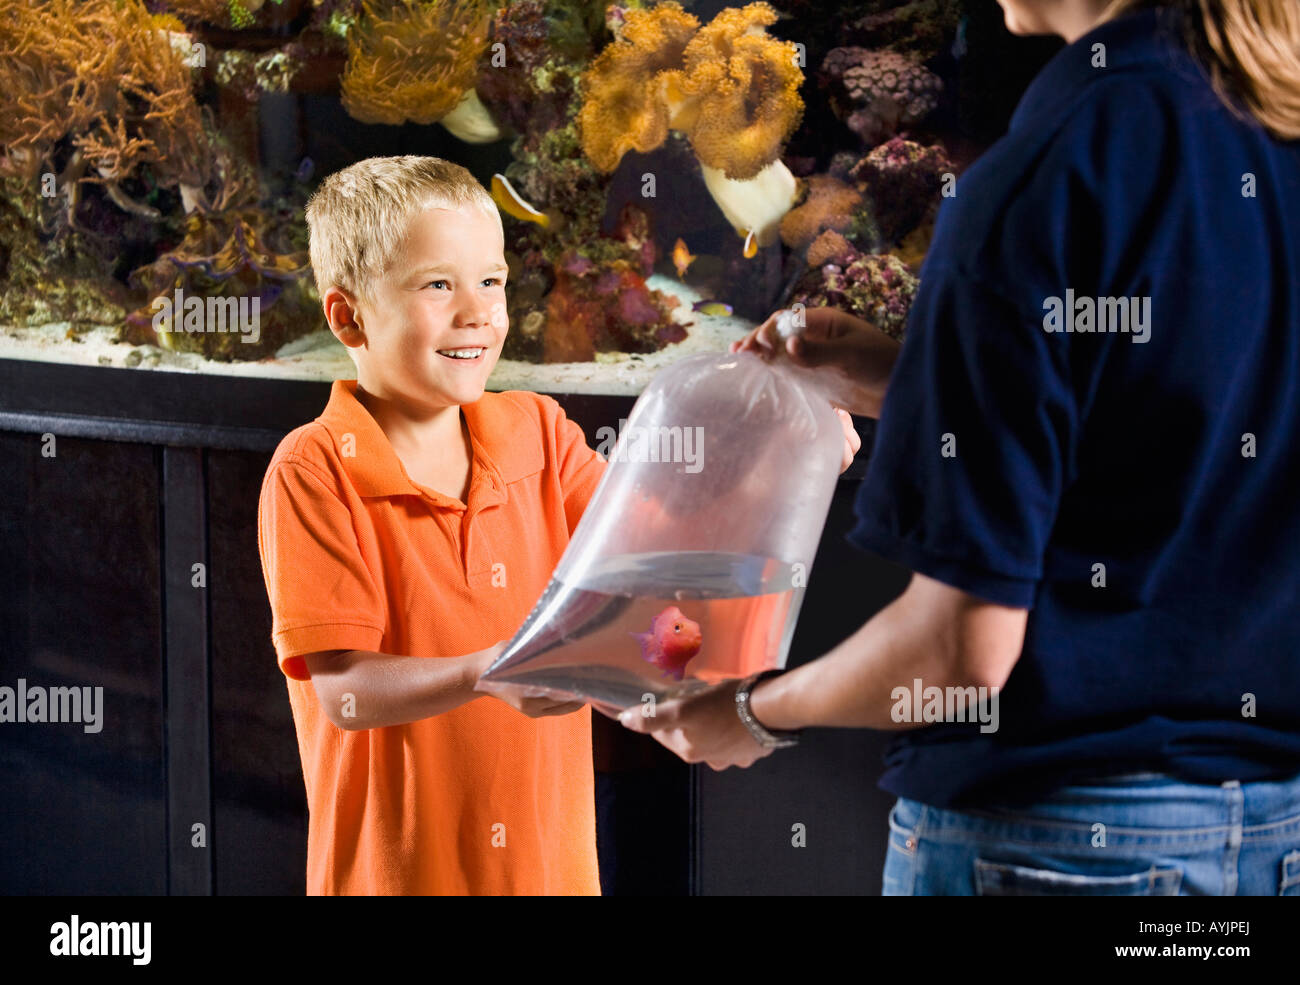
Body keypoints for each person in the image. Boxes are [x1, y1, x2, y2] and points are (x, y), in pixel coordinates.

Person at [620, 0, 1300, 895]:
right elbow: (1186, 413)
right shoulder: (1265, 128)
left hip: (1061, 844)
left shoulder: (1044, 176)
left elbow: (961, 654)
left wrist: (748, 711)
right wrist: (914, 377)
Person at [258, 155, 862, 894]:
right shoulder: (314, 468)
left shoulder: (538, 430)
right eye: (437, 284)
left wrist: (789, 453)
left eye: (492, 280)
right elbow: (344, 692)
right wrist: (486, 672)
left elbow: (662, 550)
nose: (478, 311)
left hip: (553, 874)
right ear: (347, 316)